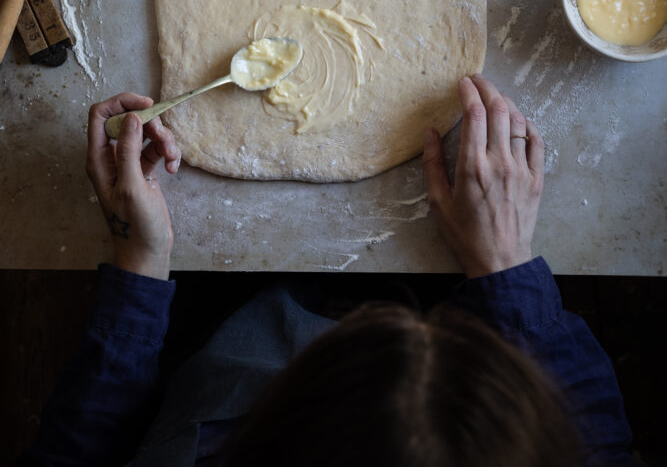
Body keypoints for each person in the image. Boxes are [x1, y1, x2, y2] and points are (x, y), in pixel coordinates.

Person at [18, 76, 634, 467]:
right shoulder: (533, 440)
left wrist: (137, 263)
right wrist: (503, 266)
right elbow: (596, 446)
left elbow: (78, 450)